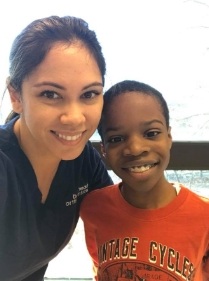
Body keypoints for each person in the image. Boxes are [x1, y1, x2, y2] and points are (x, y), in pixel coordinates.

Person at [0, 15, 113, 281]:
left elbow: (123, 219)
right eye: (50, 94)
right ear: (16, 96)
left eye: (89, 94)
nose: (74, 118)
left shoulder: (83, 162)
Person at [80, 80, 209, 281]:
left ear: (169, 136)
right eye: (116, 139)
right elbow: (100, 268)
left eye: (151, 134)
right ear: (104, 149)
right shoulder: (93, 207)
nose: (135, 148)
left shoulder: (204, 215)